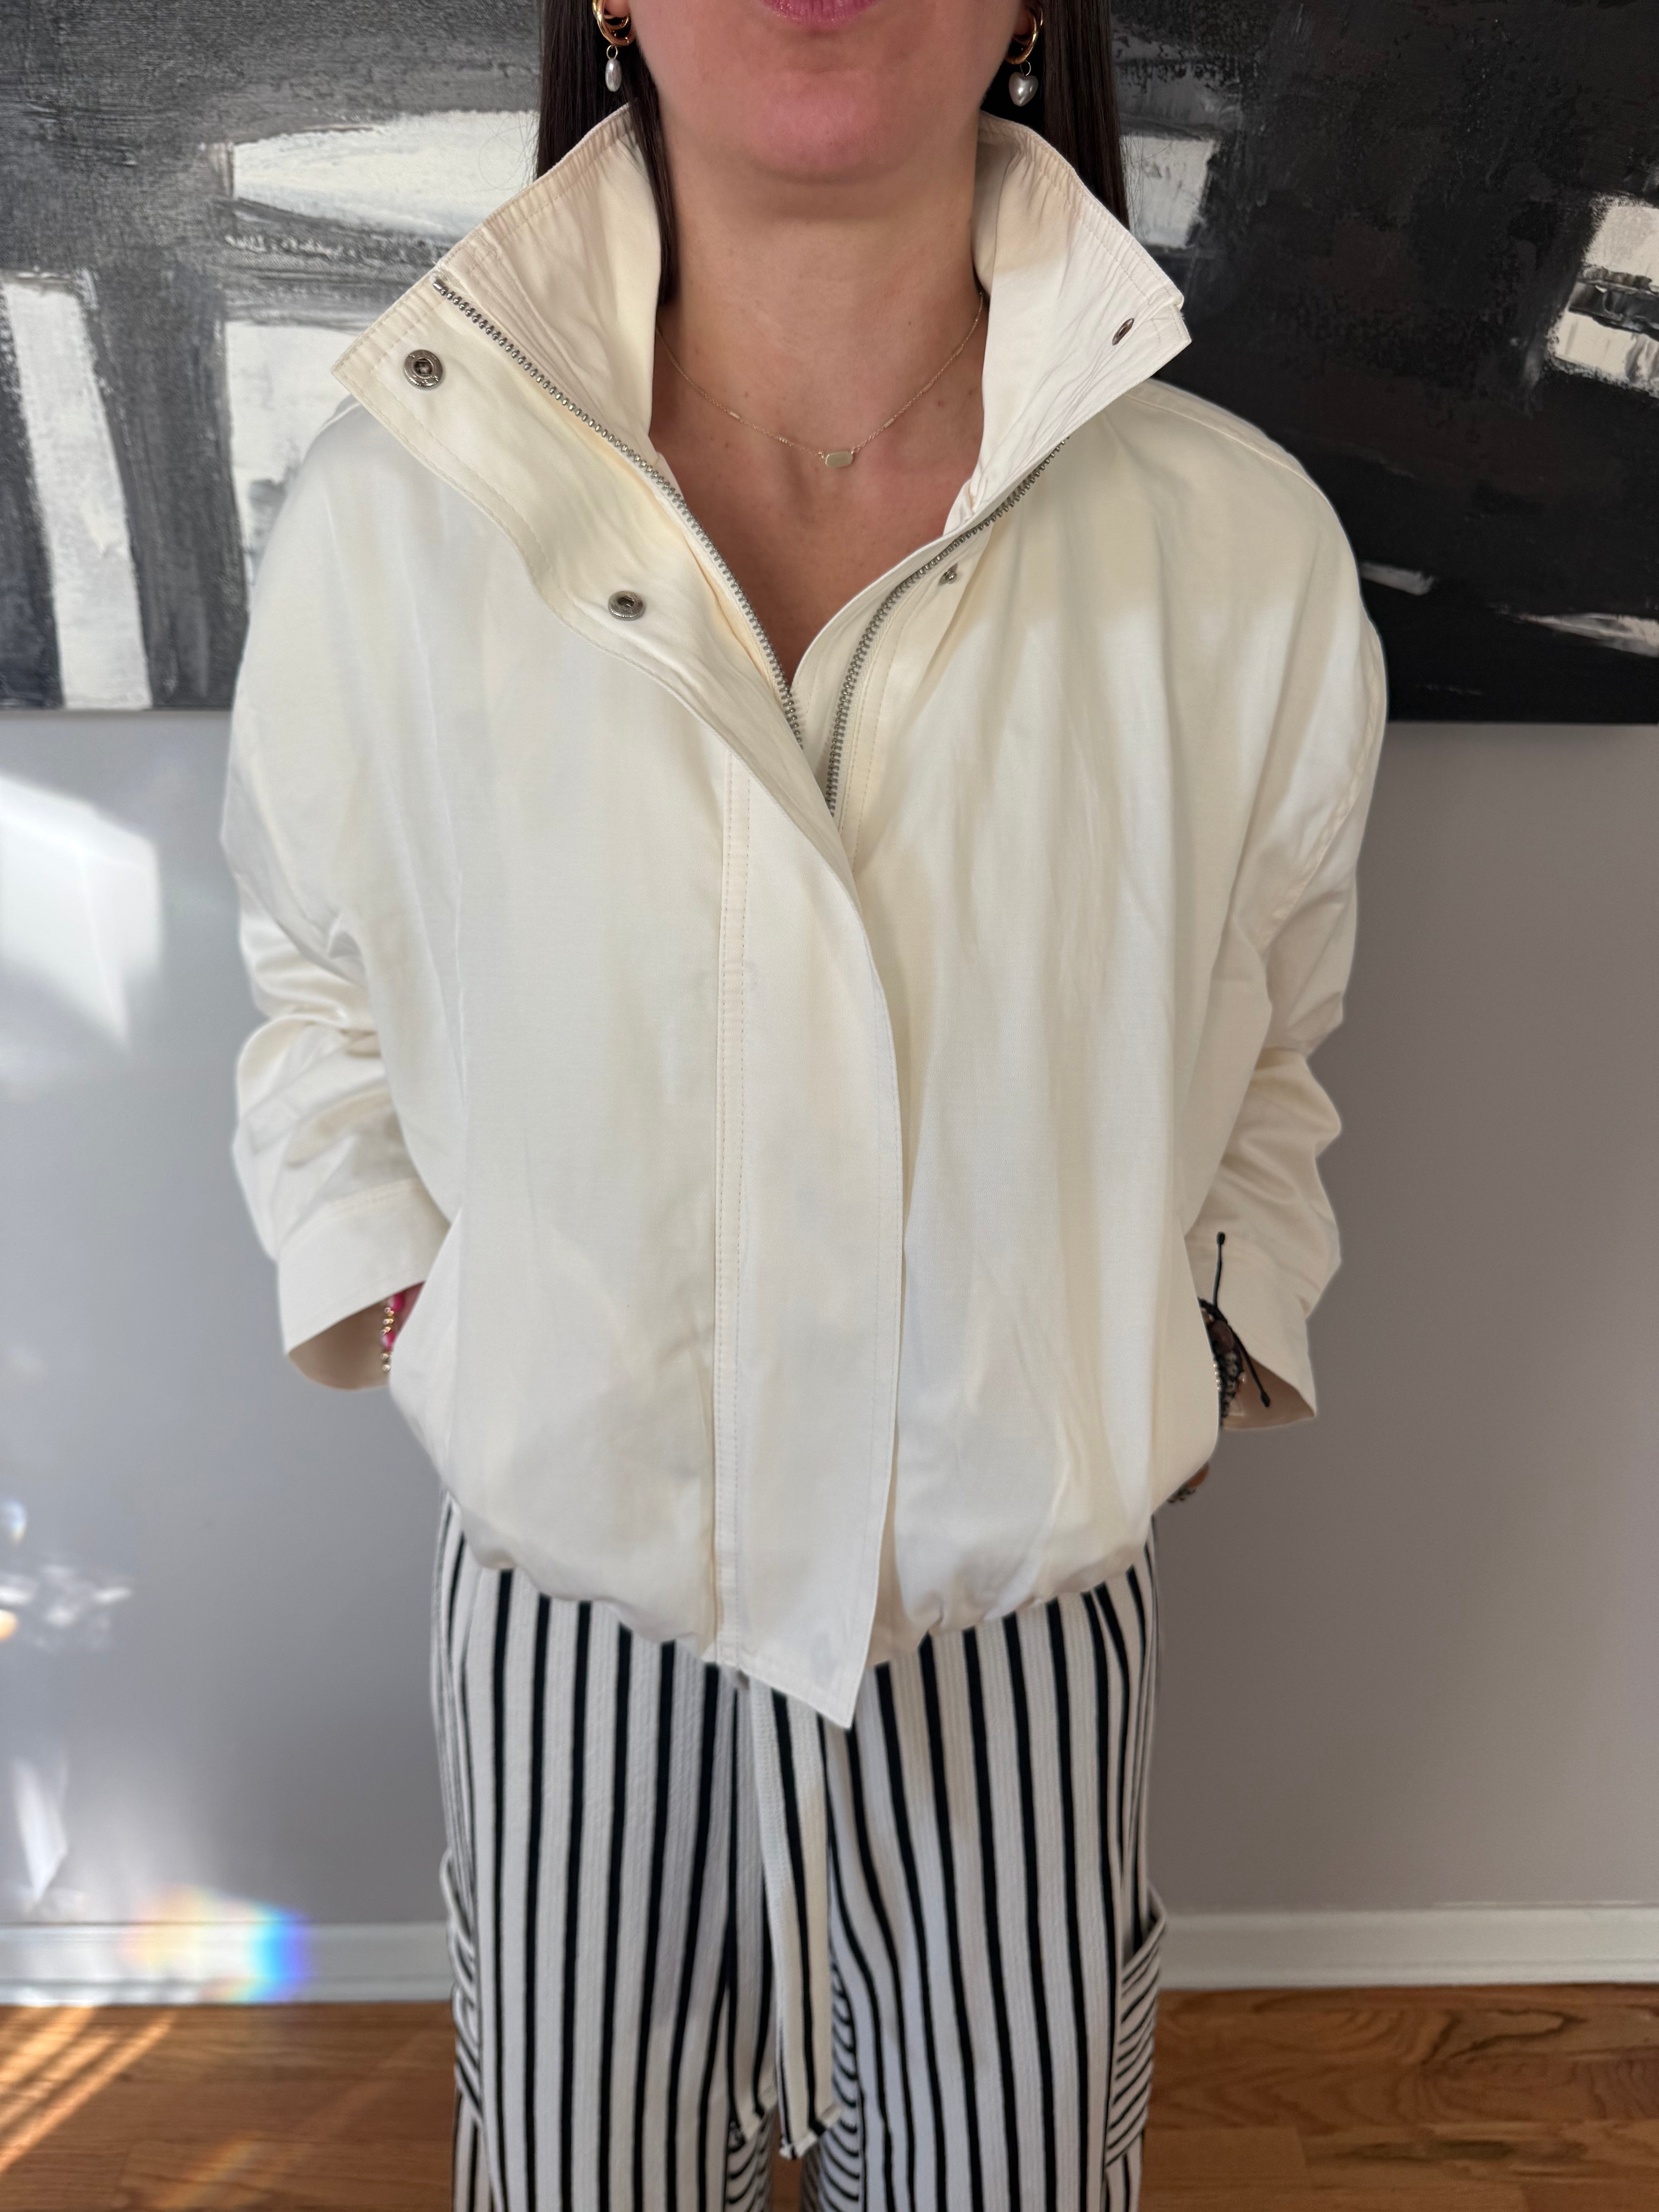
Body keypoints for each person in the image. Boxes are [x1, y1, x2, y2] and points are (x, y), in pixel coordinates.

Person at [221, 0, 1388, 2205]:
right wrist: (426, 1315)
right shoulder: (399, 514)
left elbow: (1272, 1035)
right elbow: (317, 980)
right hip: (580, 1612)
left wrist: (1197, 1339)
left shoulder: (1236, 547)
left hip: (1016, 1631)